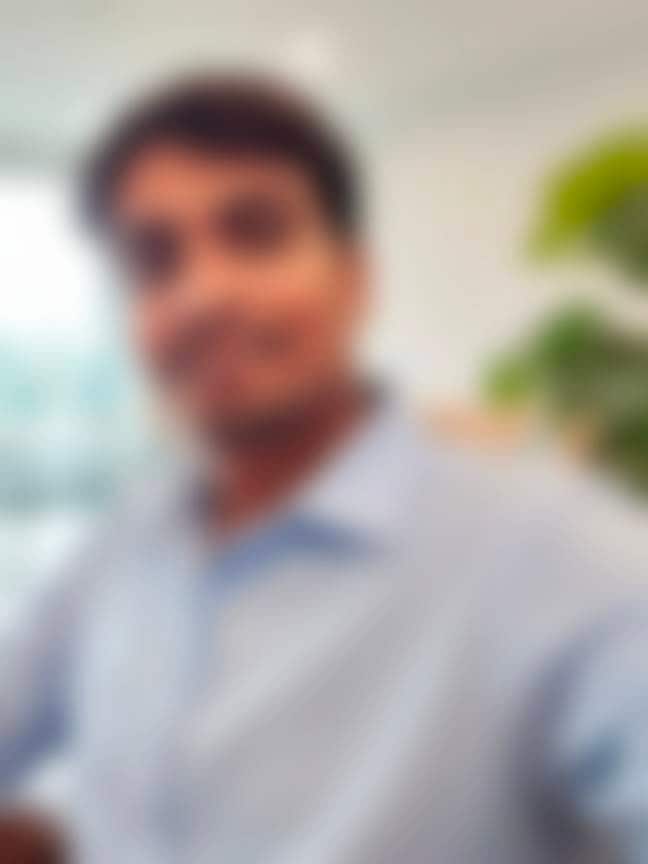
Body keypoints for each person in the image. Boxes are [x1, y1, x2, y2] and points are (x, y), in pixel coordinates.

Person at [1, 73, 647, 864]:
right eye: (153, 261)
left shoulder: (558, 553)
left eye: (256, 233)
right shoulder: (127, 541)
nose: (202, 294)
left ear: (354, 279)